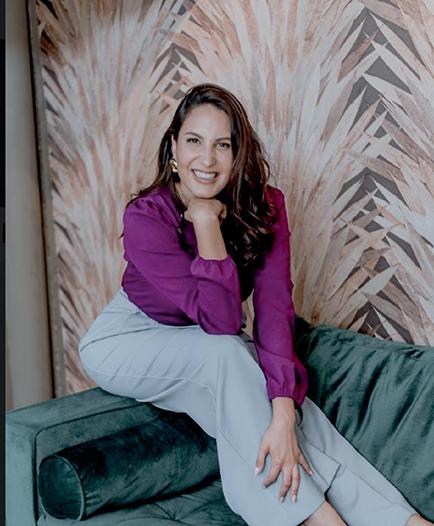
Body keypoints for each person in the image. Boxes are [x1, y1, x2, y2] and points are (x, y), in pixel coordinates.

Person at [79, 83, 431, 526]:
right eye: (194, 141)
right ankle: (318, 519)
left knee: (283, 411)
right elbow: (222, 323)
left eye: (222, 145)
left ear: (237, 152)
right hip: (128, 337)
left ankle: (401, 521)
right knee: (228, 353)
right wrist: (205, 223)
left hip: (205, 344)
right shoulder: (146, 216)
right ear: (174, 148)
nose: (207, 159)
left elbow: (273, 311)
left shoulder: (266, 206)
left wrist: (284, 412)